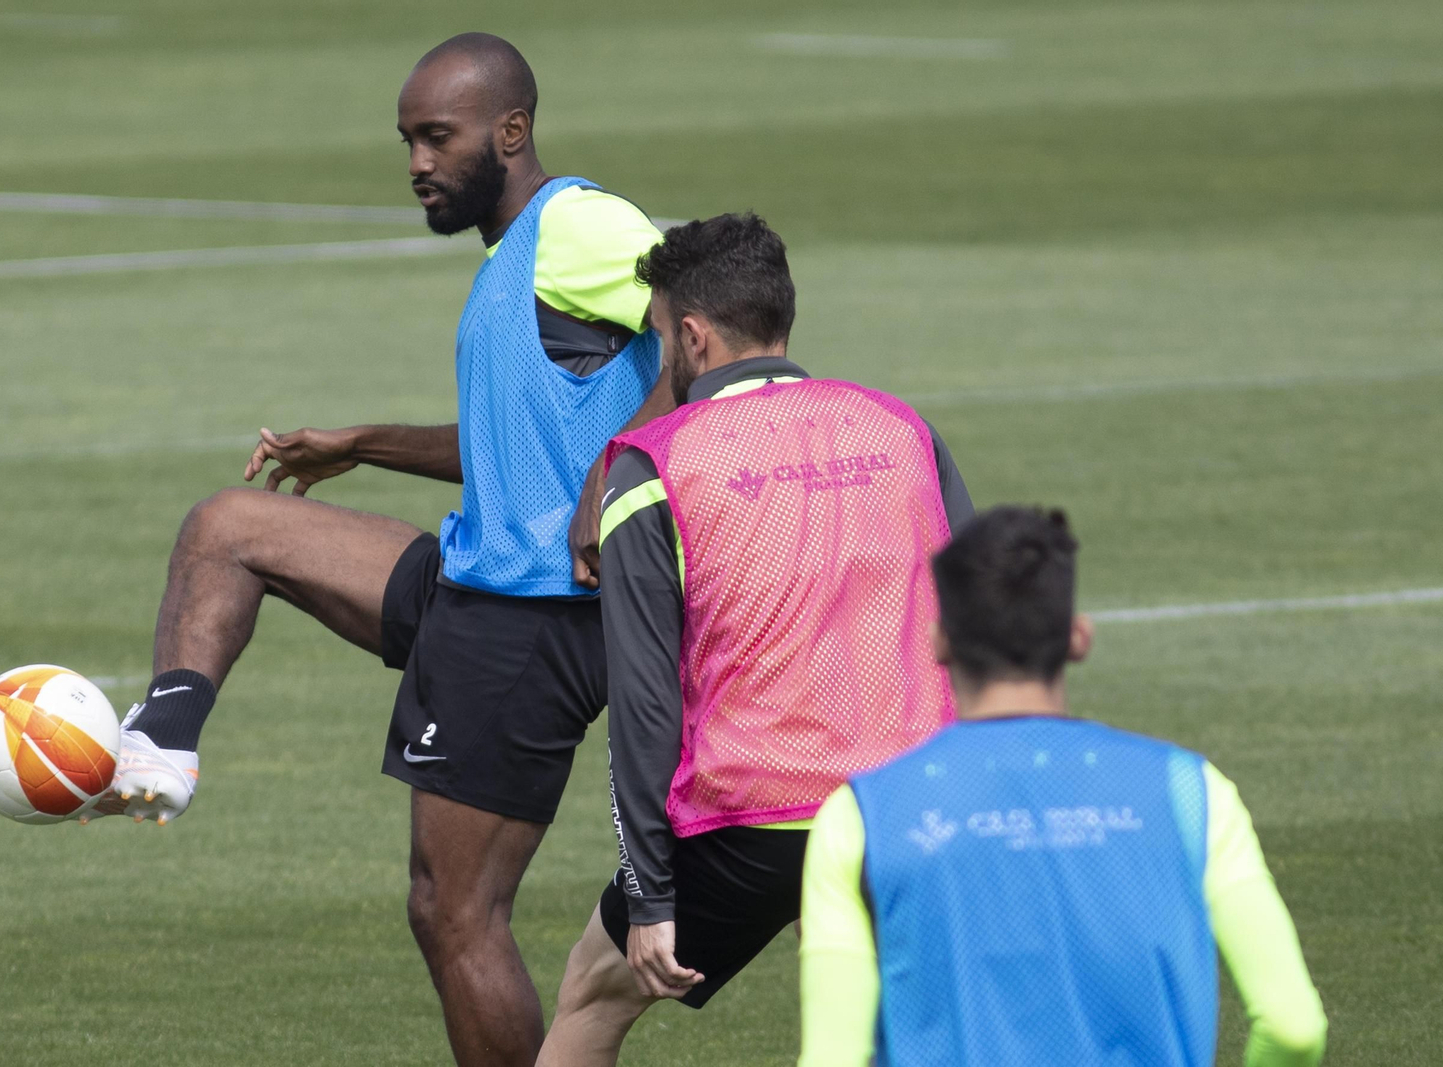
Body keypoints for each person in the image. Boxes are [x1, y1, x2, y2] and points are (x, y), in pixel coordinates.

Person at [85, 33, 674, 1067]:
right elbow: (518, 446)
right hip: (481, 575)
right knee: (232, 525)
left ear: (511, 131)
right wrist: (365, 445)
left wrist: (617, 473)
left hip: (534, 616)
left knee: (455, 912)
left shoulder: (576, 224)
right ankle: (163, 739)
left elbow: (704, 314)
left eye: (436, 138)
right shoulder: (515, 261)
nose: (415, 164)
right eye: (406, 140)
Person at [536, 212, 975, 1065]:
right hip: (908, 807)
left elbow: (644, 701)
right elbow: (979, 630)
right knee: (911, 1025)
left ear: (692, 336)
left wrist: (650, 892)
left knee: (593, 992)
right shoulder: (902, 429)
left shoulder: (653, 464)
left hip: (747, 824)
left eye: (661, 336)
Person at [797, 506, 1329, 1067]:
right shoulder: (1192, 792)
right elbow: (1294, 1028)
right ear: (1078, 637)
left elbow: (835, 1057)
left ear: (939, 643)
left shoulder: (862, 815)